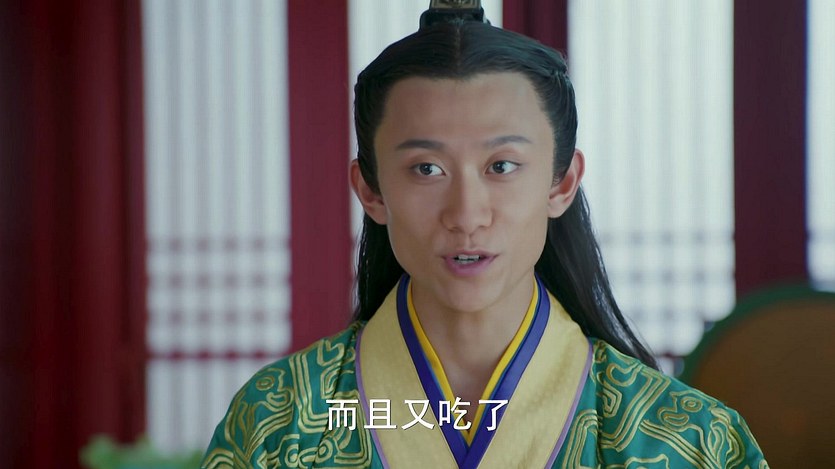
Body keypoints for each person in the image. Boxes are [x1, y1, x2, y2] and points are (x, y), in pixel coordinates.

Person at [202, 3, 767, 468]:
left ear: (562, 182)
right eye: (427, 168)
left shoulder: (684, 441)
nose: (467, 215)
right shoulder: (281, 425)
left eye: (502, 166)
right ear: (371, 190)